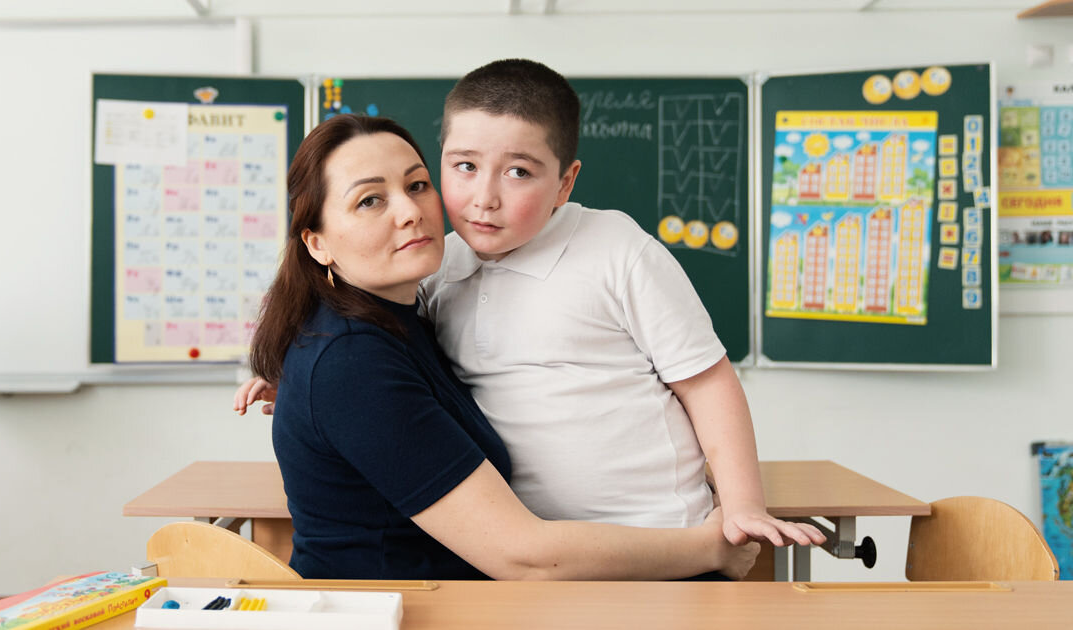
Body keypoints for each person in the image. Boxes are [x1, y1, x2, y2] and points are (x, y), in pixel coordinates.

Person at [235, 113, 760, 581]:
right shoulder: (350, 362)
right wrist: (713, 548)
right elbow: (524, 557)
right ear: (316, 242)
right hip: (395, 613)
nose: (410, 211)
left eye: (417, 185)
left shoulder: (402, 315)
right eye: (369, 200)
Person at [419, 58, 823, 549]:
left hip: (659, 535)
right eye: (465, 166)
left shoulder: (617, 250)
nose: (484, 197)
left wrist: (743, 504)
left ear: (565, 184)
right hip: (533, 550)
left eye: (519, 172)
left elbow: (708, 383)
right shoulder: (437, 268)